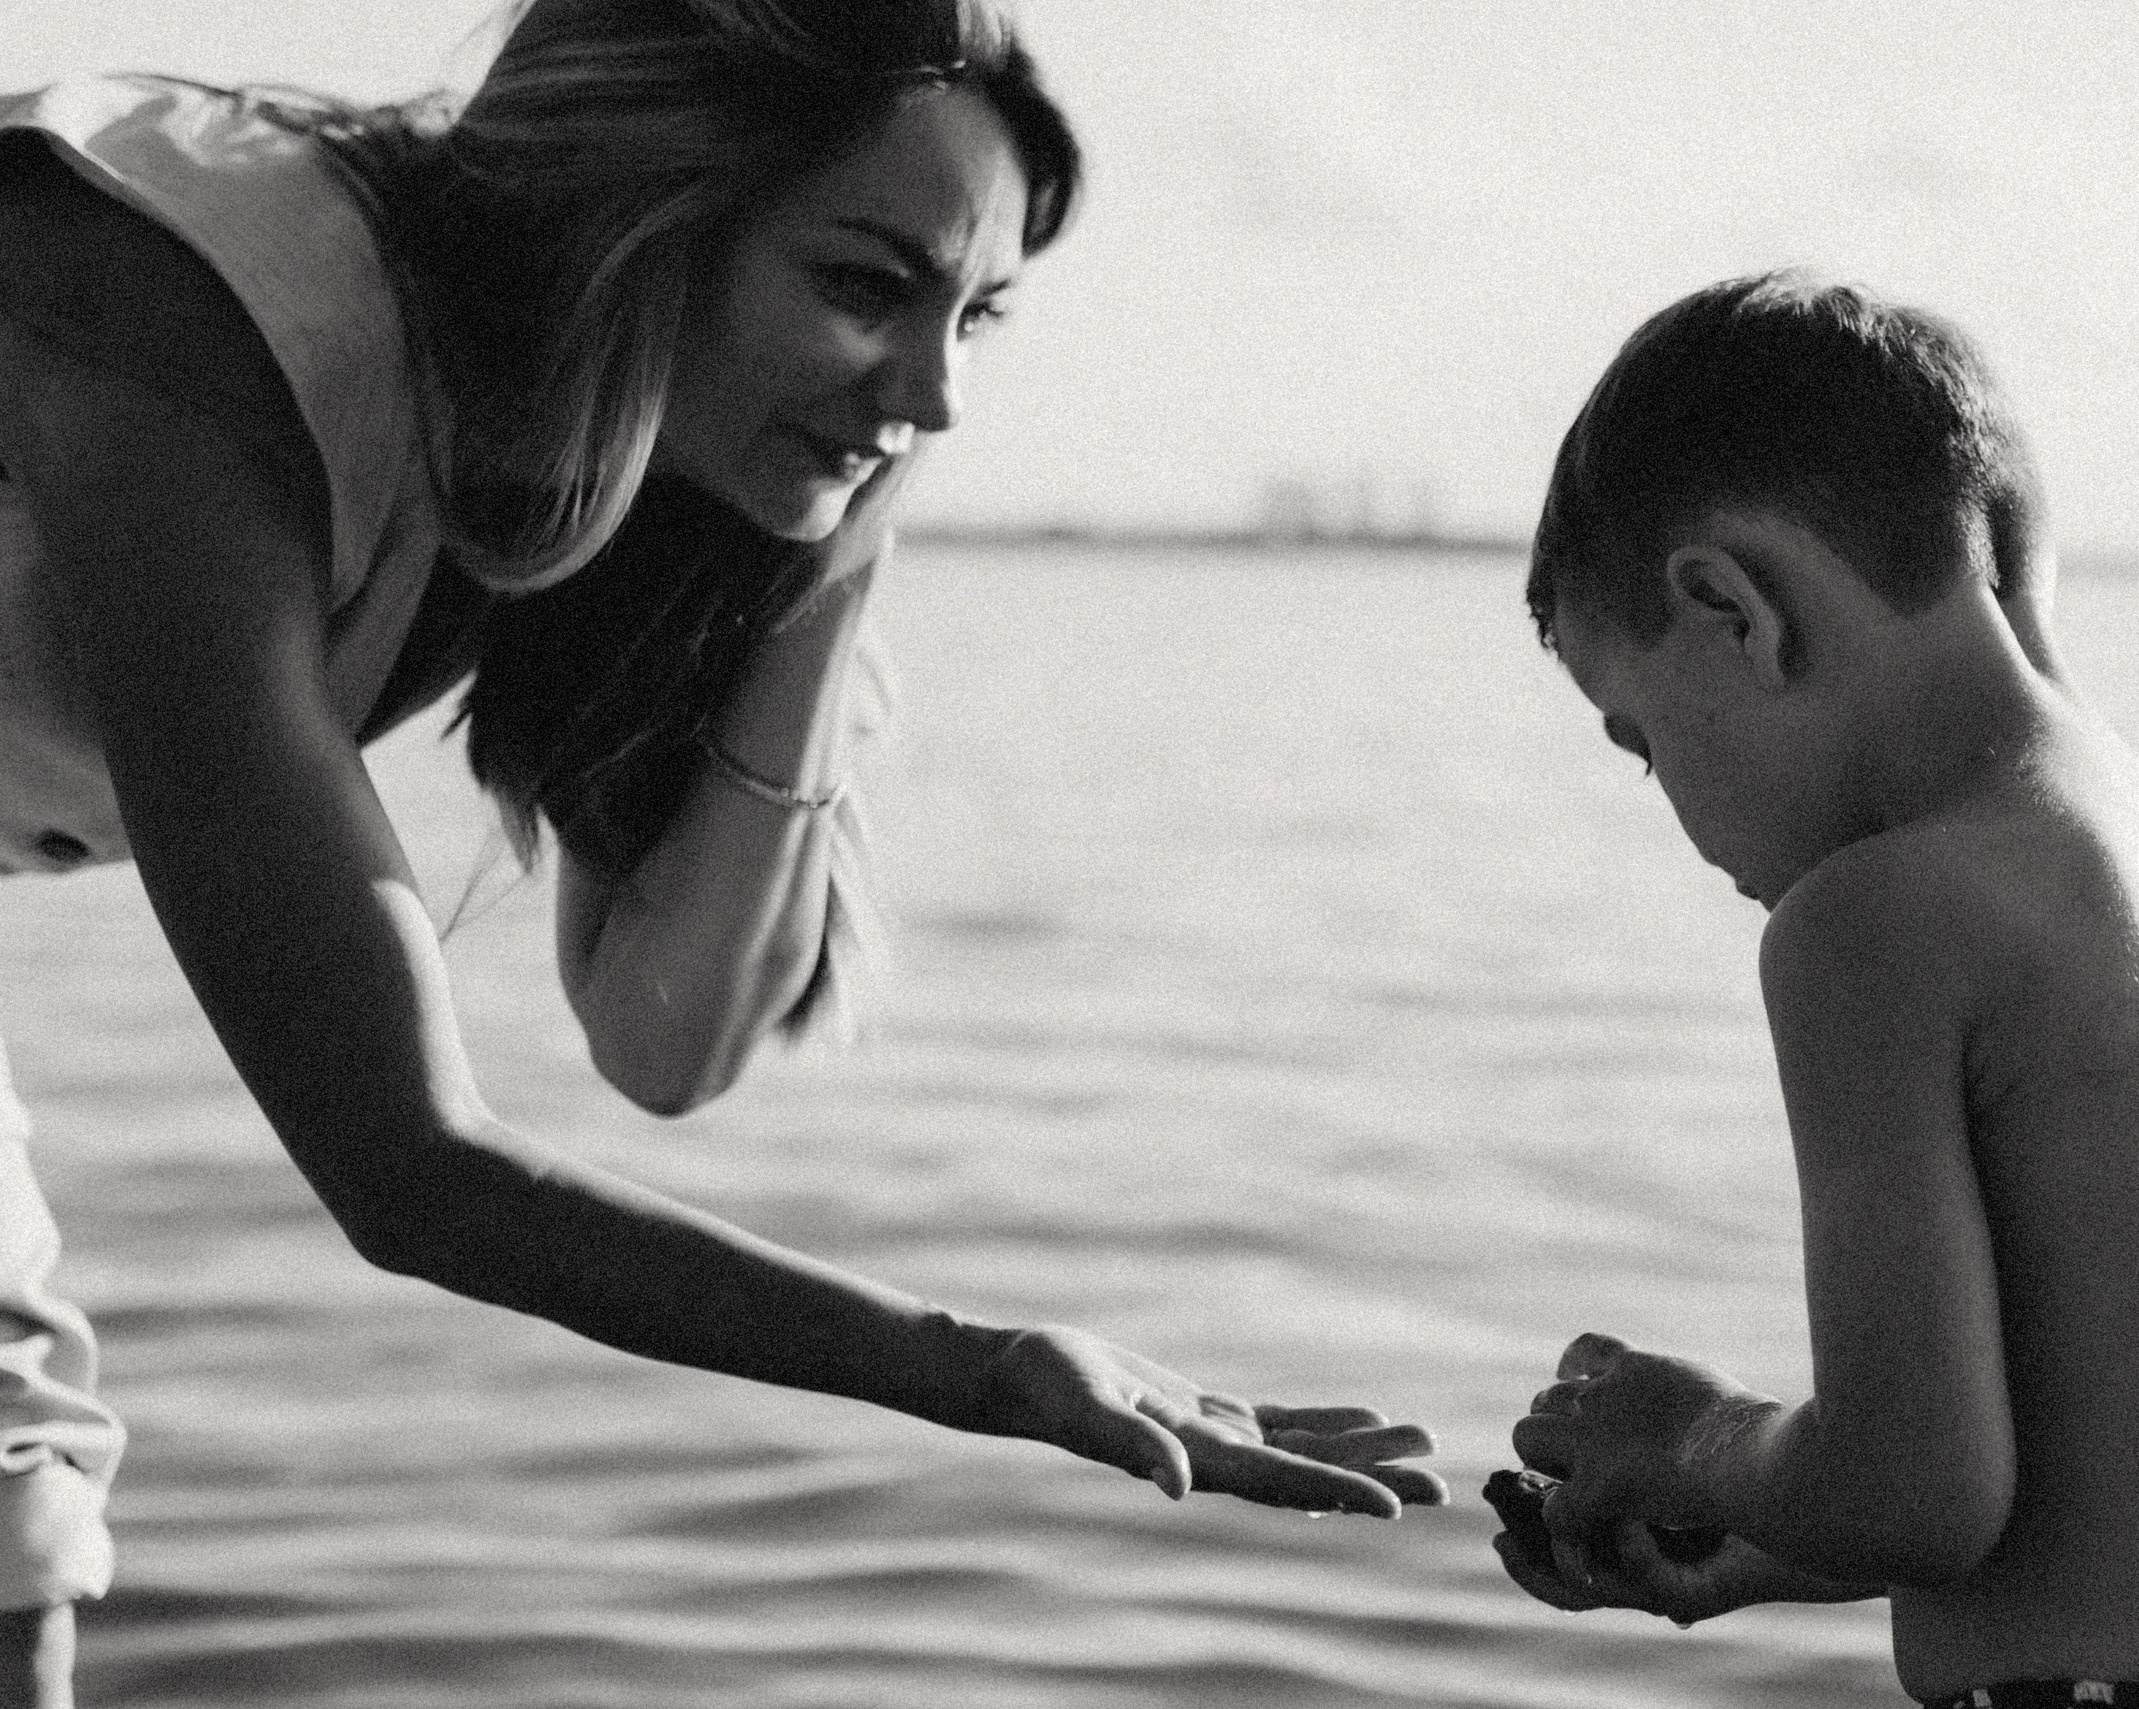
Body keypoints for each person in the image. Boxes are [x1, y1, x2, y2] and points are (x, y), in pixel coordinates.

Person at [0, 1, 1445, 1699]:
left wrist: (837, 553)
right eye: (864, 287)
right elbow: (404, 1170)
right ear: (645, 222)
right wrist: (975, 1369)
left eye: (975, 316)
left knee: (23, 1531)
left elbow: (665, 1037)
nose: (943, 391)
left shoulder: (586, 454)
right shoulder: (198, 313)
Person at [1494, 273, 2139, 1707]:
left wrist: (1695, 1437)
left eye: (1640, 741)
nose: (1671, 808)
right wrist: (1753, 1542)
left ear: (1728, 610)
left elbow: (1919, 1487)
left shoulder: (1869, 924)